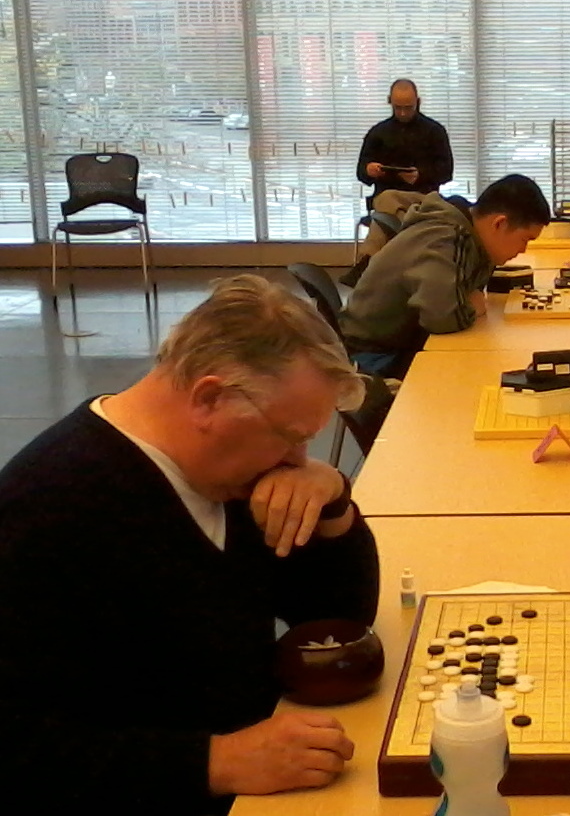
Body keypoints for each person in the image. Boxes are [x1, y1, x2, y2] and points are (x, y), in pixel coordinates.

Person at [0, 275, 381, 815]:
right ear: (210, 399)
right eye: (291, 436)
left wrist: (332, 503)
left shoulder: (226, 472)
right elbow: (18, 750)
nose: (298, 459)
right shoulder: (44, 510)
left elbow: (335, 623)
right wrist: (214, 762)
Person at [340, 173, 550, 378]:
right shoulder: (445, 238)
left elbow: (470, 291)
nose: (523, 250)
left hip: (402, 340)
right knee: (478, 377)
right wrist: (471, 307)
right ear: (499, 224)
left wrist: (468, 299)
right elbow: (443, 318)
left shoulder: (471, 233)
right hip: (374, 355)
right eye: (525, 239)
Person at [356, 78, 454, 210]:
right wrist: (369, 170)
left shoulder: (435, 131)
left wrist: (420, 175)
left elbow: (447, 171)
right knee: (387, 200)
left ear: (418, 102)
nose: (403, 113)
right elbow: (361, 172)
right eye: (398, 108)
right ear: (389, 101)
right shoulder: (377, 133)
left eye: (408, 108)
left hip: (423, 199)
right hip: (387, 199)